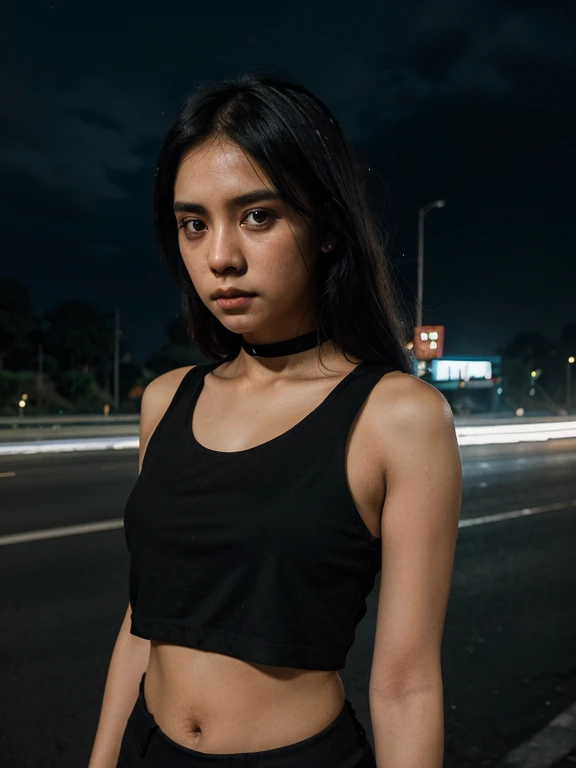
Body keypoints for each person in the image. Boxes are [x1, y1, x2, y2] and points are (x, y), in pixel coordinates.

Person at [88, 72, 462, 768]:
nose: (221, 257)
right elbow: (145, 624)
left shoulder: (397, 416)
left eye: (257, 215)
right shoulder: (166, 400)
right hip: (149, 747)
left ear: (325, 227)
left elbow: (407, 684)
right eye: (193, 224)